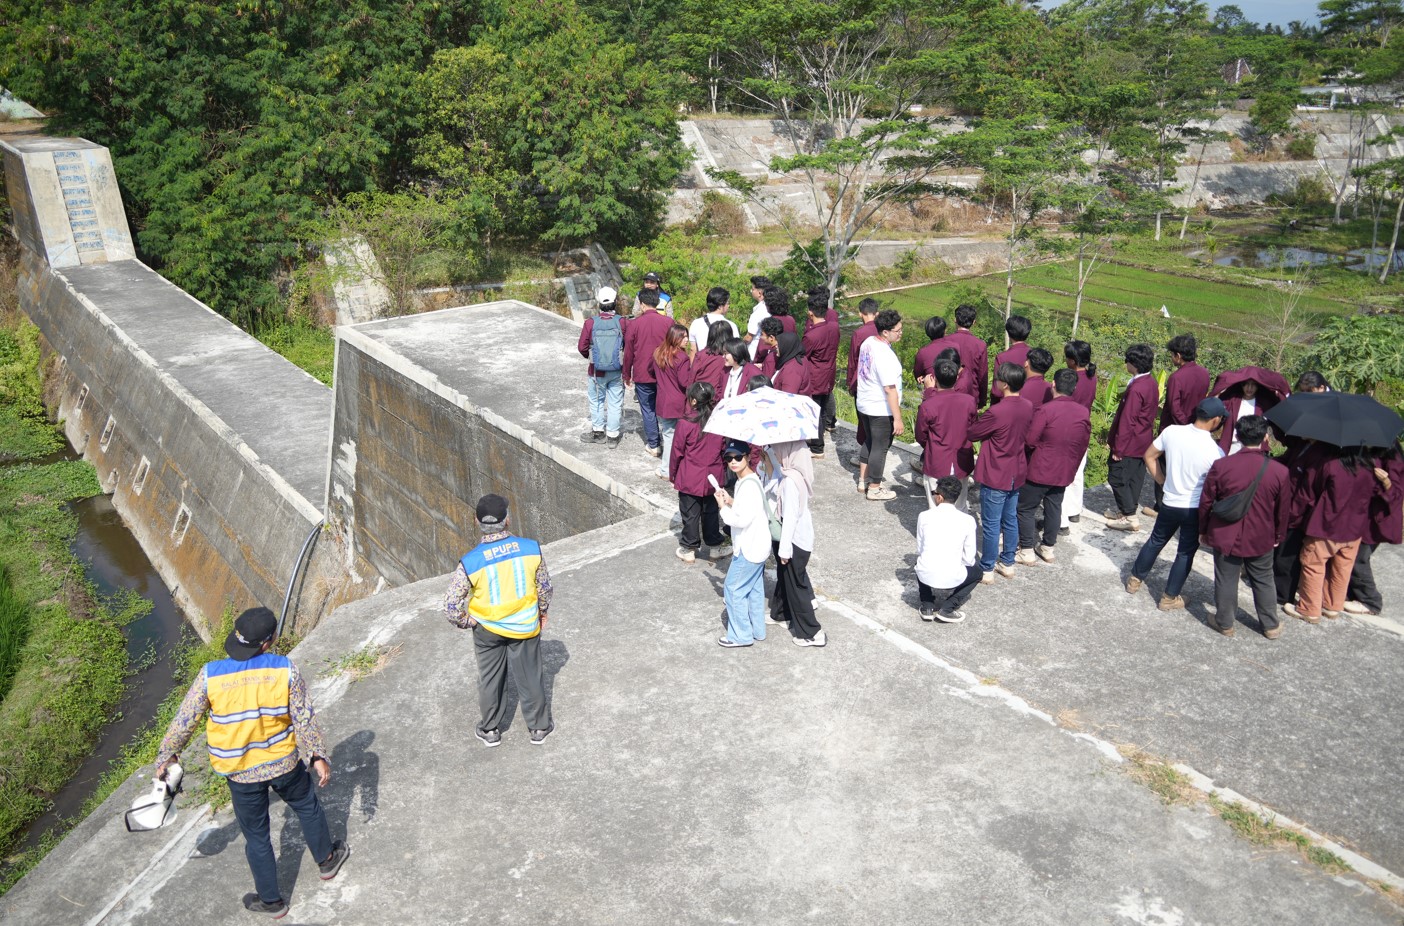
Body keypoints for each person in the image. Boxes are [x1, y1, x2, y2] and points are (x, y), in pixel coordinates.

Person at [154, 606, 350, 919]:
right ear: (269, 642)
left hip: (239, 772)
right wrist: (317, 755)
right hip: (283, 763)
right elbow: (303, 717)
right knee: (307, 806)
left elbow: (184, 720)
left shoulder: (210, 675)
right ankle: (327, 861)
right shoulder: (284, 669)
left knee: (257, 836)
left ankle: (271, 901)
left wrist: (168, 754)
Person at [446, 495, 554, 745]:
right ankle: (539, 728)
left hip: (487, 628)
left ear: (477, 521)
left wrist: (468, 622)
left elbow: (451, 606)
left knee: (490, 678)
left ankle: (491, 729)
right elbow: (545, 587)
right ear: (508, 520)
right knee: (530, 676)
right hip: (525, 623)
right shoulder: (530, 548)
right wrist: (542, 611)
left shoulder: (471, 561)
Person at [1125, 397, 1226, 611]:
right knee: (1185, 552)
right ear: (1216, 420)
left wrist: (1161, 480)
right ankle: (1169, 597)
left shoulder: (1172, 432)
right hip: (1194, 508)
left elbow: (1149, 456)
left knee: (1156, 541)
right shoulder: (1216, 452)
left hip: (1169, 501)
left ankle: (1135, 579)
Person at [1198, 415, 1291, 638]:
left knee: (1226, 578)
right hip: (1261, 535)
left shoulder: (1222, 466)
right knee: (1263, 578)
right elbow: (1283, 509)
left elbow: (1206, 501)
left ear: (1237, 437)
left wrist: (1203, 530)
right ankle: (1270, 625)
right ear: (1266, 437)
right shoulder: (1279, 471)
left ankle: (1225, 623)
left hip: (1226, 534)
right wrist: (1278, 534)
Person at [1286, 446, 1379, 623]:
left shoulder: (1332, 465)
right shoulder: (1370, 468)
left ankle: (1309, 608)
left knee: (1313, 564)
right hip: (1355, 528)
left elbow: (1313, 490)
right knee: (1342, 568)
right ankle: (1332, 606)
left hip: (1327, 525)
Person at [1017, 369, 1091, 566]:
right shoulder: (1083, 412)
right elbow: (1083, 443)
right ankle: (1048, 547)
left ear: (1053, 384)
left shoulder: (1046, 410)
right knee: (1054, 507)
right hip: (1064, 468)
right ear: (1074, 388)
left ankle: (1026, 550)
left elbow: (1031, 439)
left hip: (1040, 468)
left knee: (1025, 509)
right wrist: (1073, 468)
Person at [968, 362, 1033, 582]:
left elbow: (973, 433)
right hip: (1016, 469)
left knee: (991, 524)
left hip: (996, 471)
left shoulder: (996, 411)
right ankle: (1007, 562)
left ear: (1004, 384)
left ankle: (986, 567)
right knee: (1010, 519)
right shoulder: (1027, 406)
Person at [767, 440, 825, 646]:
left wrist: (784, 549)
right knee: (785, 579)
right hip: (794, 538)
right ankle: (780, 613)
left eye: (777, 448)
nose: (773, 450)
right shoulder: (790, 473)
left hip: (794, 541)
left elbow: (790, 516)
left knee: (796, 585)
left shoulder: (791, 481)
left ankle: (811, 632)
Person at [716, 441, 770, 647]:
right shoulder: (750, 480)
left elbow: (740, 520)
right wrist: (730, 501)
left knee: (733, 589)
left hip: (749, 548)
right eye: (728, 458)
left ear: (748, 457)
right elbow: (748, 509)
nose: (733, 462)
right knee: (754, 590)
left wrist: (722, 507)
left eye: (738, 457)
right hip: (758, 546)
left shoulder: (747, 485)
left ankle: (740, 636)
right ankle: (757, 630)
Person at [1152, 334, 1212, 514]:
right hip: (1196, 426)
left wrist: (1184, 426)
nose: (1172, 359)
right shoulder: (1204, 373)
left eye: (1172, 355)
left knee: (1163, 464)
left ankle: (1162, 504)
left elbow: (1174, 407)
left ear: (1178, 356)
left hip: (1175, 427)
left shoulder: (1176, 378)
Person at [670, 382, 728, 563]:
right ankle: (714, 547)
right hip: (713, 475)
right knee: (711, 512)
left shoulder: (685, 423)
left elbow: (676, 452)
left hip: (690, 475)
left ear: (693, 401)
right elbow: (724, 449)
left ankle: (689, 547)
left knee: (690, 513)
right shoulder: (718, 422)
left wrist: (673, 475)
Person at [1105, 344, 1159, 532]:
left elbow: (1128, 420)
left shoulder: (1137, 388)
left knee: (1116, 475)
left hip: (1129, 441)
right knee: (1135, 477)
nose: (1125, 364)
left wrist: (1118, 448)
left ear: (1134, 364)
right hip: (1143, 439)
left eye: (1127, 360)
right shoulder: (1150, 382)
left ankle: (1129, 516)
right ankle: (1126, 510)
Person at [915, 475, 982, 623]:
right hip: (953, 576)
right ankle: (947, 608)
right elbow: (969, 558)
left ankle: (927, 605)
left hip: (926, 572)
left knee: (919, 561)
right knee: (977, 573)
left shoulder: (924, 516)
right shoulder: (968, 520)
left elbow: (920, 548)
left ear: (939, 497)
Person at [1345, 440, 1402, 616]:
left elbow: (1397, 494)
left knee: (1359, 557)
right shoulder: (1363, 449)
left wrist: (1386, 481)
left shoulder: (1393, 459)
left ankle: (1371, 601)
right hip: (1362, 514)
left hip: (1378, 519)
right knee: (1349, 554)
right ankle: (1350, 593)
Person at [916, 357, 977, 513]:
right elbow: (973, 427)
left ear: (934, 378)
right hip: (961, 458)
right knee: (960, 503)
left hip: (937, 457)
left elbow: (920, 435)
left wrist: (930, 445)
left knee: (934, 504)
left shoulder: (928, 405)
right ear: (957, 377)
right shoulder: (969, 401)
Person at [855, 309, 905, 500]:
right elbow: (890, 389)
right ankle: (875, 486)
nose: (900, 333)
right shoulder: (886, 355)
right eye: (897, 330)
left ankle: (863, 480)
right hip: (879, 408)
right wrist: (897, 418)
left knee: (870, 441)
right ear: (886, 332)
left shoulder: (869, 342)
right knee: (880, 447)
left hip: (865, 403)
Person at [622, 289, 673, 458]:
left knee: (648, 409)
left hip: (643, 373)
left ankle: (654, 445)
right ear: (658, 303)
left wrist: (626, 375)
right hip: (665, 372)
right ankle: (669, 442)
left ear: (642, 305)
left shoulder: (634, 324)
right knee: (666, 409)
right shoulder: (668, 322)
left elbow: (628, 352)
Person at [577, 287, 626, 446]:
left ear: (599, 304)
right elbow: (629, 346)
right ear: (615, 302)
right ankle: (612, 437)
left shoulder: (590, 323)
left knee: (597, 400)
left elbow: (582, 347)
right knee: (615, 402)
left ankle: (598, 433)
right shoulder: (622, 322)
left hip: (596, 371)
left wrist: (593, 358)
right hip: (616, 370)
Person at [648, 323, 693, 479]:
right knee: (677, 437)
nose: (686, 340)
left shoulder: (658, 353)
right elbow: (684, 382)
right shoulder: (682, 358)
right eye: (683, 337)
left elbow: (650, 371)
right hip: (678, 403)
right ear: (675, 338)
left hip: (662, 401)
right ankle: (670, 469)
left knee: (668, 435)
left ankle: (667, 469)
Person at [1061, 340, 1097, 530]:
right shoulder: (1092, 376)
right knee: (1077, 472)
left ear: (1073, 360)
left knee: (1063, 474)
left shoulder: (1071, 380)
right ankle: (1074, 510)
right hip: (1083, 429)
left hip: (1068, 429)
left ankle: (1061, 520)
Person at [802, 292, 840, 458]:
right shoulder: (834, 328)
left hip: (815, 375)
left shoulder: (811, 335)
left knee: (814, 410)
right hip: (829, 373)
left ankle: (817, 447)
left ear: (810, 312)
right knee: (822, 409)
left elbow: (803, 355)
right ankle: (819, 439)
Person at [845, 299, 880, 452]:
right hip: (879, 381)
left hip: (862, 381)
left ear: (860, 313)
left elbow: (853, 361)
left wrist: (850, 383)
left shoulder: (859, 333)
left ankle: (864, 452)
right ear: (877, 313)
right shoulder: (882, 331)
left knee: (863, 419)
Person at [946, 303, 989, 407]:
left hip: (947, 394)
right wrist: (982, 400)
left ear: (955, 320)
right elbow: (983, 375)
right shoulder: (980, 345)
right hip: (971, 395)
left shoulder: (945, 341)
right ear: (974, 322)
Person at [990, 315, 1031, 404]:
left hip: (1006, 404)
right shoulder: (1034, 354)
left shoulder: (1002, 357)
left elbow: (996, 391)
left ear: (1008, 332)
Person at [689, 286, 737, 353]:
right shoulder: (731, 325)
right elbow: (735, 350)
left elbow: (693, 350)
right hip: (723, 362)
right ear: (720, 306)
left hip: (703, 361)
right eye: (727, 303)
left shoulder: (696, 323)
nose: (728, 306)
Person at [691, 320, 733, 397]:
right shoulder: (731, 358)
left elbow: (691, 379)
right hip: (718, 400)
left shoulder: (701, 355)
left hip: (700, 398)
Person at [770, 331, 811, 396]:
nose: (776, 347)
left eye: (778, 345)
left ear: (787, 346)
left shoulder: (792, 370)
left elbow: (788, 396)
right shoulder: (800, 358)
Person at [912, 315, 949, 382]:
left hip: (932, 388)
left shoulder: (923, 352)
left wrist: (923, 377)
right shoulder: (955, 346)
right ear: (944, 331)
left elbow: (917, 374)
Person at [744, 275, 771, 350]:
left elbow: (748, 338)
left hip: (755, 351)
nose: (751, 291)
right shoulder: (770, 308)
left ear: (759, 293)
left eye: (753, 289)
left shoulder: (758, 313)